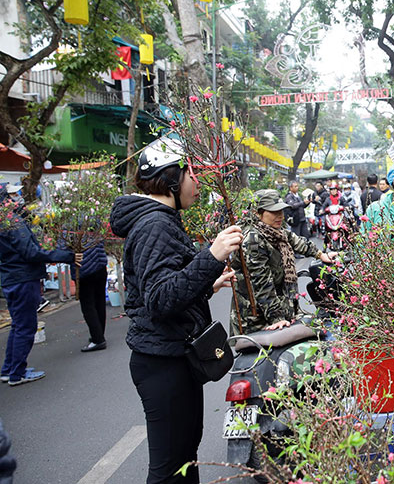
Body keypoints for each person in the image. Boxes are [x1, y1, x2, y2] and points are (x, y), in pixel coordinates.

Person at [109, 136, 242, 484]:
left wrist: (205, 284)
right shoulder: (156, 224)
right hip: (163, 363)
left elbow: (164, 287)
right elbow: (160, 298)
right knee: (171, 470)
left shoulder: (161, 220)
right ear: (171, 179)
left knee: (185, 461)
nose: (196, 182)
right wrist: (210, 257)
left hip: (171, 357)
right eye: (191, 174)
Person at [0, 185, 78, 386]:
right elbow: (31, 253)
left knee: (18, 325)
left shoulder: (7, 221)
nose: (18, 197)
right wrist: (64, 255)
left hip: (12, 277)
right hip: (22, 278)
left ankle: (10, 369)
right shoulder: (13, 222)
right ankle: (17, 373)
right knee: (26, 326)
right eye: (13, 194)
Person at [230, 190, 335, 334]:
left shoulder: (276, 232)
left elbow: (297, 242)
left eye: (281, 211)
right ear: (257, 213)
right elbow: (261, 285)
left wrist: (321, 255)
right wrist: (276, 318)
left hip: (278, 306)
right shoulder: (253, 240)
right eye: (274, 212)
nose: (280, 216)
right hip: (256, 317)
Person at [72, 242, 109, 352]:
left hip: (84, 268)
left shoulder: (68, 227)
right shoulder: (93, 224)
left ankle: (98, 339)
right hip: (100, 263)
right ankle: (99, 334)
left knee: (88, 305)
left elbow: (64, 247)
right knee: (99, 301)